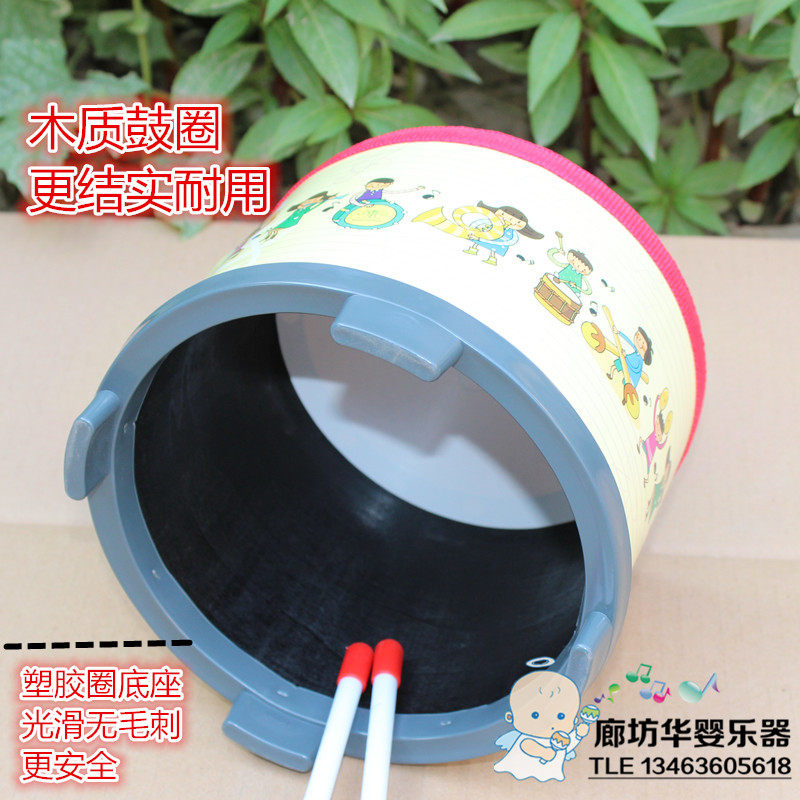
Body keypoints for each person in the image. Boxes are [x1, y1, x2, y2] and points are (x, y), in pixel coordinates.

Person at [494, 671, 597, 782]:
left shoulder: (562, 737)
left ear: (574, 720)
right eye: (535, 715)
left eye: (560, 716)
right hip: (524, 771)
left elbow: (568, 746)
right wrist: (542, 752)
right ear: (511, 717)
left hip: (549, 775)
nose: (548, 721)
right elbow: (526, 745)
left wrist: (577, 735)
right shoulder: (530, 736)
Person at [464, 202, 543, 265]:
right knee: (477, 241)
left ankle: (492, 258)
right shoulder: (492, 223)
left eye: (518, 222)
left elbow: (512, 241)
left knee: (493, 248)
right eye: (502, 215)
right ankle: (473, 249)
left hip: (498, 243)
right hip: (486, 236)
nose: (508, 221)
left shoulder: (511, 233)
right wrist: (475, 230)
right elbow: (479, 223)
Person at [260, 191, 336, 240]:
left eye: (316, 200)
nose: (313, 201)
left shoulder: (306, 208)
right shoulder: (300, 208)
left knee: (278, 227)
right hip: (290, 218)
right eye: (313, 200)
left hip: (293, 220)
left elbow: (314, 206)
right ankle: (269, 234)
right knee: (276, 227)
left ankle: (270, 234)